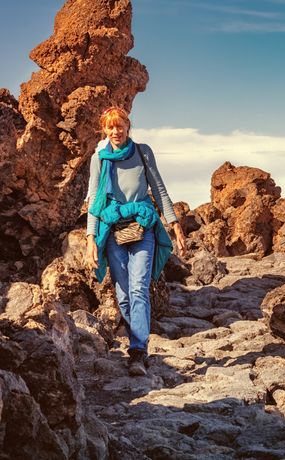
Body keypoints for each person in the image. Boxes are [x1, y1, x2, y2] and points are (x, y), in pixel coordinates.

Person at [84, 106, 187, 376]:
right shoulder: (99, 159)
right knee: (124, 294)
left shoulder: (143, 151)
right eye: (110, 127)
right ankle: (134, 341)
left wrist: (175, 225)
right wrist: (90, 239)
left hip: (143, 226)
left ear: (128, 126)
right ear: (104, 130)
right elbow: (94, 201)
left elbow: (159, 187)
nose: (115, 131)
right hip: (113, 228)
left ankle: (138, 351)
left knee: (139, 287)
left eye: (120, 126)